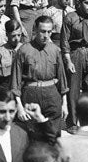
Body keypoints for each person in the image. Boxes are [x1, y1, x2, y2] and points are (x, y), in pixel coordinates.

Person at [11, 14, 69, 143]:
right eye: (42, 31)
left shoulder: (55, 50)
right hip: (30, 95)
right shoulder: (24, 50)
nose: (46, 35)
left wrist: (64, 104)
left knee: (53, 136)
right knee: (32, 138)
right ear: (35, 30)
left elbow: (62, 79)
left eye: (49, 32)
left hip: (52, 95)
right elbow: (15, 81)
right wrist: (19, 107)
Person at [61, 0, 88, 133]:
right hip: (75, 53)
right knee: (73, 90)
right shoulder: (70, 18)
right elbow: (65, 41)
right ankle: (72, 122)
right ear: (79, 3)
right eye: (87, 3)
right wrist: (68, 61)